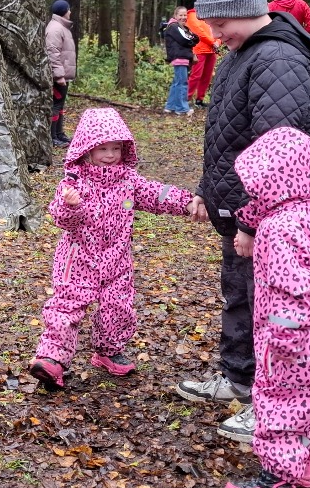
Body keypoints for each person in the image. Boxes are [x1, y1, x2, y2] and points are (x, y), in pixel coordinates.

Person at [173, 0, 310, 444]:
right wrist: (211, 192)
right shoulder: (245, 53)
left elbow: (278, 150)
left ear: (247, 11)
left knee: (277, 316)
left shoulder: (277, 60)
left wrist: (251, 221)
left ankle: (275, 410)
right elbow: (228, 134)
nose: (215, 36)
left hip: (272, 222)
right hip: (242, 212)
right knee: (240, 297)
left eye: (221, 26)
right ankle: (239, 377)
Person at [221, 127, 310, 488]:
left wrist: (280, 340)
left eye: (258, 186)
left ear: (274, 182)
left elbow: (290, 289)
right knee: (307, 404)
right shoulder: (308, 213)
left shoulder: (279, 230)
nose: (253, 193)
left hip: (291, 338)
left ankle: (275, 485)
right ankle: (302, 464)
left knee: (279, 404)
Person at [28, 108, 197, 389]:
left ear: (124, 149)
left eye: (115, 148)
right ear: (86, 149)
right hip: (78, 258)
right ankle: (52, 359)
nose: (109, 154)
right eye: (102, 148)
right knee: (66, 307)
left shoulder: (129, 181)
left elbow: (157, 194)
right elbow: (61, 219)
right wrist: (72, 205)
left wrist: (187, 201)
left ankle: (108, 350)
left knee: (117, 307)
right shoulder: (75, 183)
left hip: (116, 259)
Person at [45, 0, 76, 147]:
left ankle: (59, 133)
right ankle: (52, 137)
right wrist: (58, 75)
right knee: (55, 105)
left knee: (60, 105)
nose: (70, 12)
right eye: (68, 9)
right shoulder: (55, 29)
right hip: (58, 76)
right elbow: (53, 53)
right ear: (64, 11)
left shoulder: (62, 27)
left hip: (64, 74)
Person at [162, 6, 197, 115]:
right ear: (175, 16)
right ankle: (181, 108)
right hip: (180, 57)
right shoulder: (174, 27)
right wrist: (191, 40)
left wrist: (192, 39)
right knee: (182, 82)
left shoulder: (183, 27)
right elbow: (185, 39)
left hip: (182, 57)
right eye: (180, 15)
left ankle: (170, 106)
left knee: (177, 82)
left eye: (185, 15)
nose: (183, 17)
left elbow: (195, 37)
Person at [185, 8, 218, 108]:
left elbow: (217, 28)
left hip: (211, 50)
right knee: (196, 75)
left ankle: (200, 100)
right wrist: (213, 42)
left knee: (207, 76)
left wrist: (218, 41)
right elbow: (199, 33)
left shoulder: (210, 14)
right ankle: (186, 99)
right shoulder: (191, 15)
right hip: (199, 50)